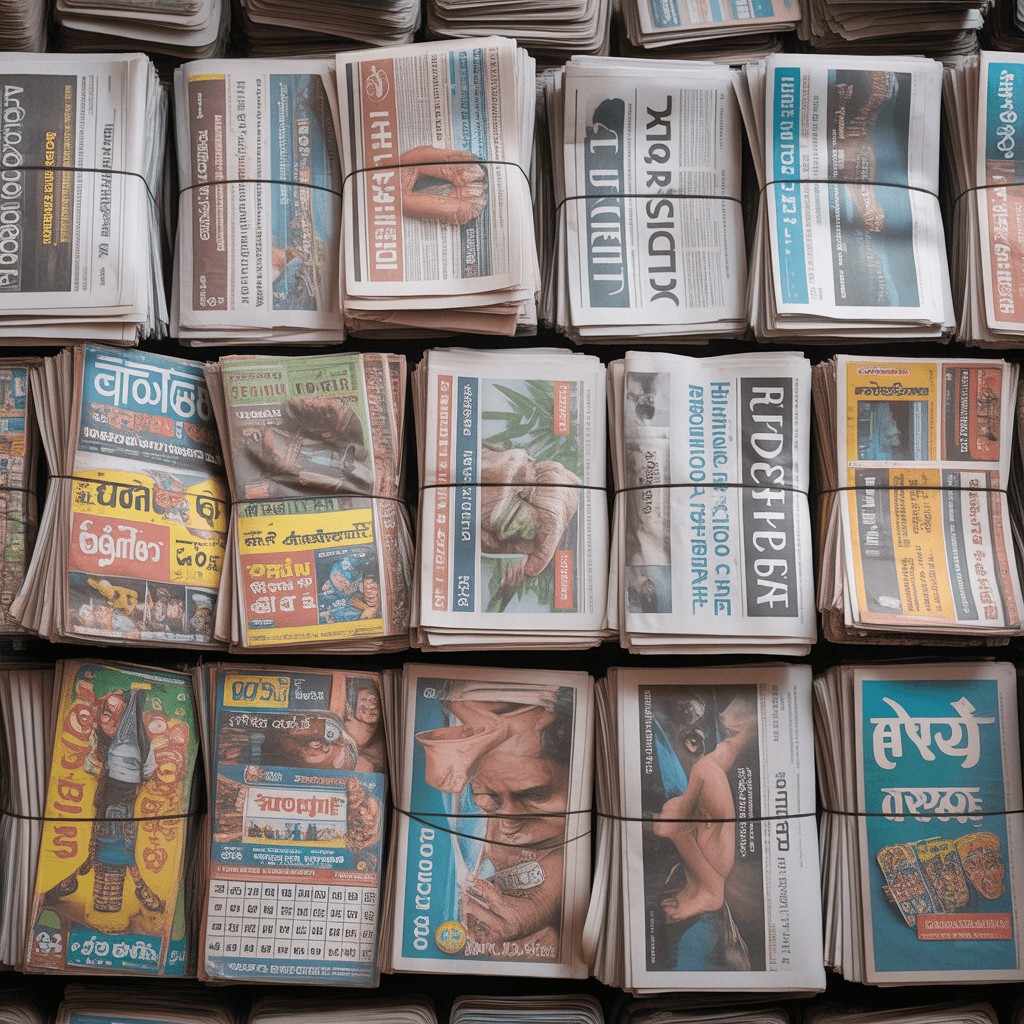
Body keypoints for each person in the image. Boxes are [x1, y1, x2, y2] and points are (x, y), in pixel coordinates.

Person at [416, 686, 573, 960]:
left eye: (535, 795)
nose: (506, 823)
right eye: (487, 798)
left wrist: (543, 902)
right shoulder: (464, 818)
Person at [651, 693, 757, 971]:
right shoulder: (710, 769)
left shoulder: (705, 773)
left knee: (704, 771)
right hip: (709, 858)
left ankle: (708, 893)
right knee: (717, 758)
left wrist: (676, 819)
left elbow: (678, 826)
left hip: (713, 877)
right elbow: (725, 752)